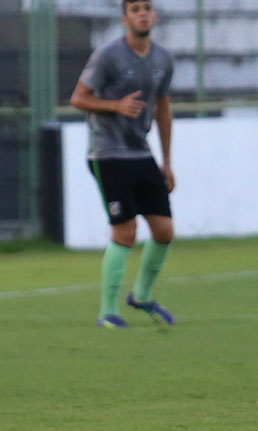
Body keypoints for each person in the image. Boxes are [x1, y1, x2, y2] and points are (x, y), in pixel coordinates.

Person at [70, 0, 176, 328]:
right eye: (135, 9)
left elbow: (163, 108)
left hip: (141, 153)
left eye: (147, 7)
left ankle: (141, 295)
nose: (142, 13)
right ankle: (107, 312)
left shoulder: (163, 59)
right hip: (107, 153)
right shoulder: (108, 56)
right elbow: (78, 98)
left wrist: (167, 161)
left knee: (164, 230)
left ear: (154, 15)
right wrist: (115, 105)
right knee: (125, 230)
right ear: (125, 18)